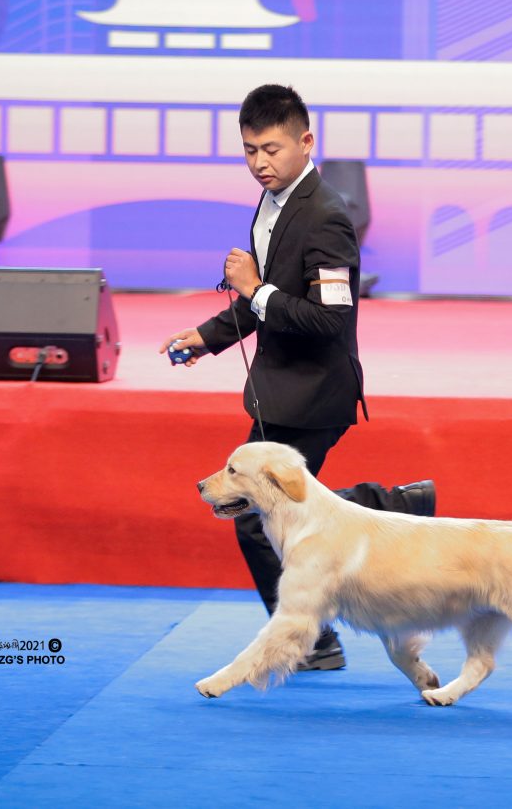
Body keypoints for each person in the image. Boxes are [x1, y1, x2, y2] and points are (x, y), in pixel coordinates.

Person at [159, 83, 435, 671]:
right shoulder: (273, 200)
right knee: (278, 512)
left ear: (306, 142)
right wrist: (207, 337)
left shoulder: (327, 216)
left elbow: (328, 320)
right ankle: (393, 506)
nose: (260, 162)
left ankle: (315, 639)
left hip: (314, 394)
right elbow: (263, 299)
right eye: (249, 150)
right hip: (279, 391)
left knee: (256, 518)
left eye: (272, 149)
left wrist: (255, 288)